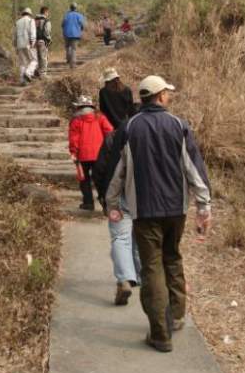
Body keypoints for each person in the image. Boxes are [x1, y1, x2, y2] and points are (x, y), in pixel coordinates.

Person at [106, 75, 212, 352]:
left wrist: (112, 202)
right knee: (173, 258)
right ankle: (175, 317)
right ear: (160, 96)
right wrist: (204, 206)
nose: (169, 96)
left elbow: (119, 170)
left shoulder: (130, 127)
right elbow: (193, 169)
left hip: (144, 210)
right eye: (167, 92)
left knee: (152, 266)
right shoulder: (178, 125)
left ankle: (160, 333)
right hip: (176, 209)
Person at [94, 119, 141, 306]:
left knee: (120, 238)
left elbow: (99, 169)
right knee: (138, 239)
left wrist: (103, 197)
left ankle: (124, 280)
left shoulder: (112, 138)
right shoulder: (147, 137)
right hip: (144, 197)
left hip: (118, 196)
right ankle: (138, 276)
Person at [68, 95, 113, 210]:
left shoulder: (76, 120)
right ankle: (105, 203)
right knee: (101, 178)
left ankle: (88, 203)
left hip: (82, 155)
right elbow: (110, 133)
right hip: (100, 154)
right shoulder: (100, 117)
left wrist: (73, 152)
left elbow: (74, 138)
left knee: (84, 179)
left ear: (79, 107)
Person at [13, 7, 37, 85]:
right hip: (28, 44)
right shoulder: (31, 21)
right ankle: (28, 73)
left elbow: (14, 36)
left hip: (19, 45)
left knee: (22, 63)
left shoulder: (17, 22)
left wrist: (15, 46)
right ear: (30, 14)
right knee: (34, 60)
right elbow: (33, 33)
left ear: (23, 14)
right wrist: (32, 44)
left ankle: (22, 81)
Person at [62, 3, 85, 69]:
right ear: (76, 8)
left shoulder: (66, 15)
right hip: (76, 34)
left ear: (70, 8)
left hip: (66, 34)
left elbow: (62, 24)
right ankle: (73, 64)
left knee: (67, 47)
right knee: (73, 49)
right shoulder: (79, 15)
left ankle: (68, 60)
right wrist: (81, 29)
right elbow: (82, 24)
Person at [35, 6, 52, 79]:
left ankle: (36, 73)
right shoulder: (46, 21)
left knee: (36, 58)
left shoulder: (34, 20)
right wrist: (49, 39)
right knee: (43, 58)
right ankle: (43, 75)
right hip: (42, 41)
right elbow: (47, 32)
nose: (48, 14)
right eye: (47, 12)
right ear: (45, 12)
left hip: (34, 41)